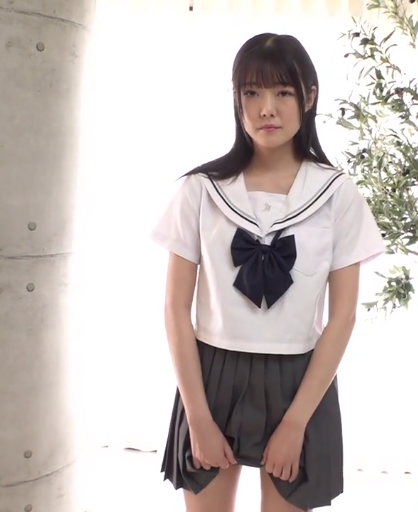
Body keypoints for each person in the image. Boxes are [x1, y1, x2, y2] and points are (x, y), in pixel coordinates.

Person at [151, 32, 385, 512]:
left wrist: (297, 422)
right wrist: (198, 417)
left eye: (283, 92)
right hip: (210, 376)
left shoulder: (337, 195)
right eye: (252, 92)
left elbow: (342, 318)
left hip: (300, 380)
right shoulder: (201, 190)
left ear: (309, 97)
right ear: (236, 100)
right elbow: (175, 310)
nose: (267, 109)